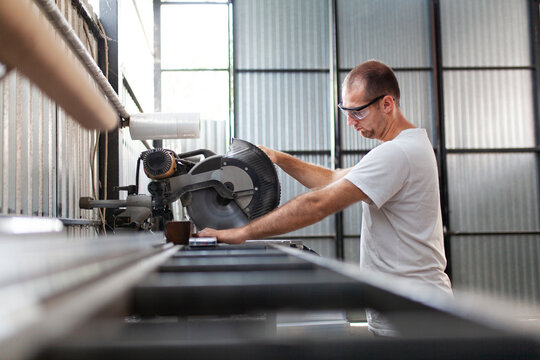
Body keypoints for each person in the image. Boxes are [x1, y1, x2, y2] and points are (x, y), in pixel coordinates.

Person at [199, 60, 453, 336]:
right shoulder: (407, 146)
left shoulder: (397, 154)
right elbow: (333, 179)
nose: (350, 122)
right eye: (346, 111)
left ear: (387, 104)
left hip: (412, 319)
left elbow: (318, 204)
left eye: (357, 112)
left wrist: (242, 233)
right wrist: (277, 158)